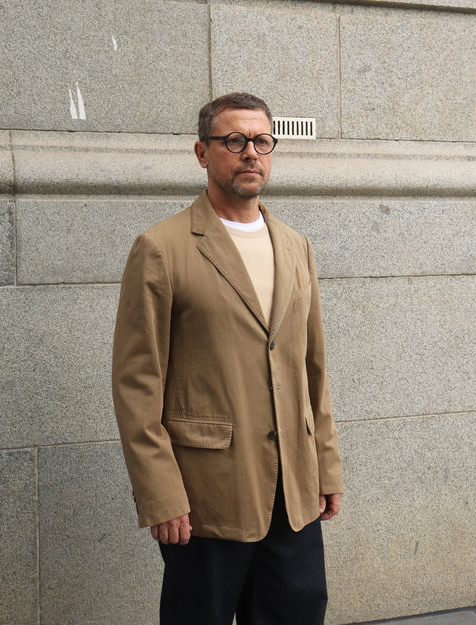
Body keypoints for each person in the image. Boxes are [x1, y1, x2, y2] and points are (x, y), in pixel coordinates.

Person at [112, 92, 344, 625]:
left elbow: (313, 370)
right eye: (234, 141)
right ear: (202, 153)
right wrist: (160, 494)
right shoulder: (162, 248)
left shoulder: (296, 247)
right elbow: (136, 383)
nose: (250, 153)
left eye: (262, 141)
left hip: (293, 492)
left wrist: (326, 467)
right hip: (206, 496)